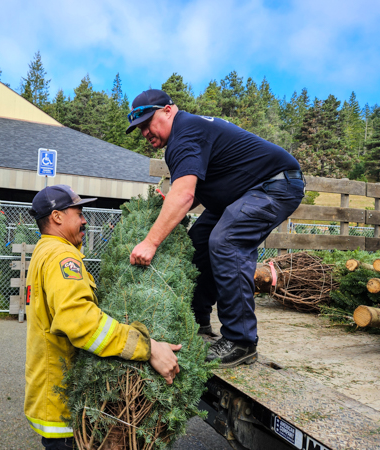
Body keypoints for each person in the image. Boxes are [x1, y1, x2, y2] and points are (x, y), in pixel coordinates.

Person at [126, 89, 304, 368]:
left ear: (169, 110)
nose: (145, 132)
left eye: (148, 123)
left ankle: (241, 340)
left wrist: (150, 242)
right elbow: (193, 191)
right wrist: (171, 209)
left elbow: (183, 194)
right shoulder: (187, 132)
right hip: (243, 193)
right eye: (140, 129)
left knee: (226, 241)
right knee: (198, 242)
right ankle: (198, 320)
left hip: (275, 185)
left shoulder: (184, 135)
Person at [24, 184, 182, 450]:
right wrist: (148, 346)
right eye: (79, 212)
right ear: (57, 217)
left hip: (49, 398)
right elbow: (82, 323)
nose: (85, 219)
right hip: (64, 408)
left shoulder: (44, 250)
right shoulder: (62, 256)